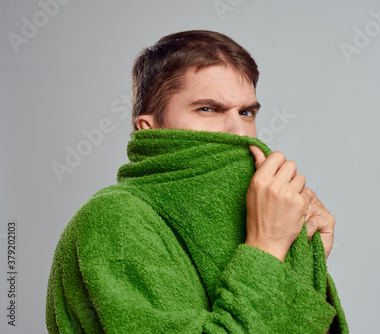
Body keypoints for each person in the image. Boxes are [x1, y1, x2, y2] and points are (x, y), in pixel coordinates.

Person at [46, 30, 348, 333]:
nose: (239, 132)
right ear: (149, 129)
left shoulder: (232, 217)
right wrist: (269, 245)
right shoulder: (113, 218)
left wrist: (304, 258)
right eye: (208, 109)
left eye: (246, 112)